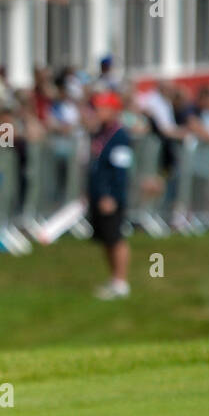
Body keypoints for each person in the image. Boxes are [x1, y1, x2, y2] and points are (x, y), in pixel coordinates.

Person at [86, 92, 133, 300]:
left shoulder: (120, 136)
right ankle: (114, 279)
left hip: (111, 198)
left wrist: (110, 196)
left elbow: (120, 171)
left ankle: (121, 281)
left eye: (102, 108)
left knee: (115, 238)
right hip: (99, 195)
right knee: (106, 239)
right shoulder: (100, 133)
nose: (97, 112)